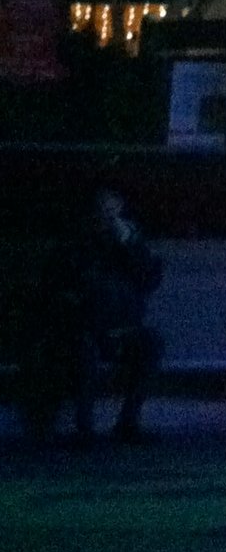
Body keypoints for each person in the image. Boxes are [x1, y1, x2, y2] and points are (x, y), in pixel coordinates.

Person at [48, 185, 165, 445]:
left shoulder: (130, 239)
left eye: (113, 209)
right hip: (84, 327)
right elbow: (61, 284)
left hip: (123, 328)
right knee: (83, 348)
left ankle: (128, 422)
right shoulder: (76, 241)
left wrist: (129, 245)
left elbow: (148, 279)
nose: (108, 216)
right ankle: (84, 428)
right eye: (103, 210)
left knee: (151, 344)